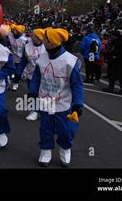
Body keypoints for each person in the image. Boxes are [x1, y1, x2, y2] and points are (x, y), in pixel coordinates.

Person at [29, 28, 84, 167]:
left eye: (46, 39)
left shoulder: (70, 61)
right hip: (45, 101)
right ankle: (45, 150)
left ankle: (65, 148)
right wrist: (32, 91)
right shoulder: (42, 56)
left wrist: (78, 104)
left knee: (65, 130)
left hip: (63, 103)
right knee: (45, 128)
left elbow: (77, 84)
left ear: (52, 43)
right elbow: (36, 76)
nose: (43, 40)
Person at [18, 28, 46, 121]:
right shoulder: (27, 45)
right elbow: (23, 60)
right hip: (31, 73)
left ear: (38, 37)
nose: (31, 35)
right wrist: (19, 71)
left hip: (44, 74)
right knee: (32, 92)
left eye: (33, 35)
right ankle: (33, 111)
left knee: (43, 93)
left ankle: (42, 111)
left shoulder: (46, 46)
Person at [102, 30, 122, 94]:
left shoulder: (120, 43)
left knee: (121, 76)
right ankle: (111, 87)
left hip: (119, 61)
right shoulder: (114, 42)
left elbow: (118, 53)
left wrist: (111, 57)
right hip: (113, 61)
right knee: (111, 75)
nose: (111, 36)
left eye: (112, 35)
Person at [4, 24, 27, 91]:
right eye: (14, 30)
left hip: (20, 58)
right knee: (9, 71)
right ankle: (8, 83)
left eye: (17, 31)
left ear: (20, 33)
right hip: (11, 57)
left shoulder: (24, 40)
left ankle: (15, 84)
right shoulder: (10, 36)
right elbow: (6, 41)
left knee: (18, 73)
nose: (14, 32)